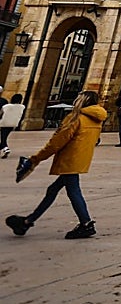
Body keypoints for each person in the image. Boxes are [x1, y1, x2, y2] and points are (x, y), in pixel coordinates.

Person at [5, 90, 106, 239]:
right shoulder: (97, 119)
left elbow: (56, 143)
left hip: (69, 160)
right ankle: (28, 221)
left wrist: (36, 158)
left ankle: (86, 223)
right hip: (81, 159)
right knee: (53, 189)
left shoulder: (75, 118)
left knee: (73, 191)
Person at [1, 92, 25, 158]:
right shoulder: (22, 107)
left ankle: (6, 148)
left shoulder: (6, 106)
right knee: (4, 137)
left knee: (3, 138)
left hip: (4, 123)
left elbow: (1, 113)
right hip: (13, 124)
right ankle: (4, 148)